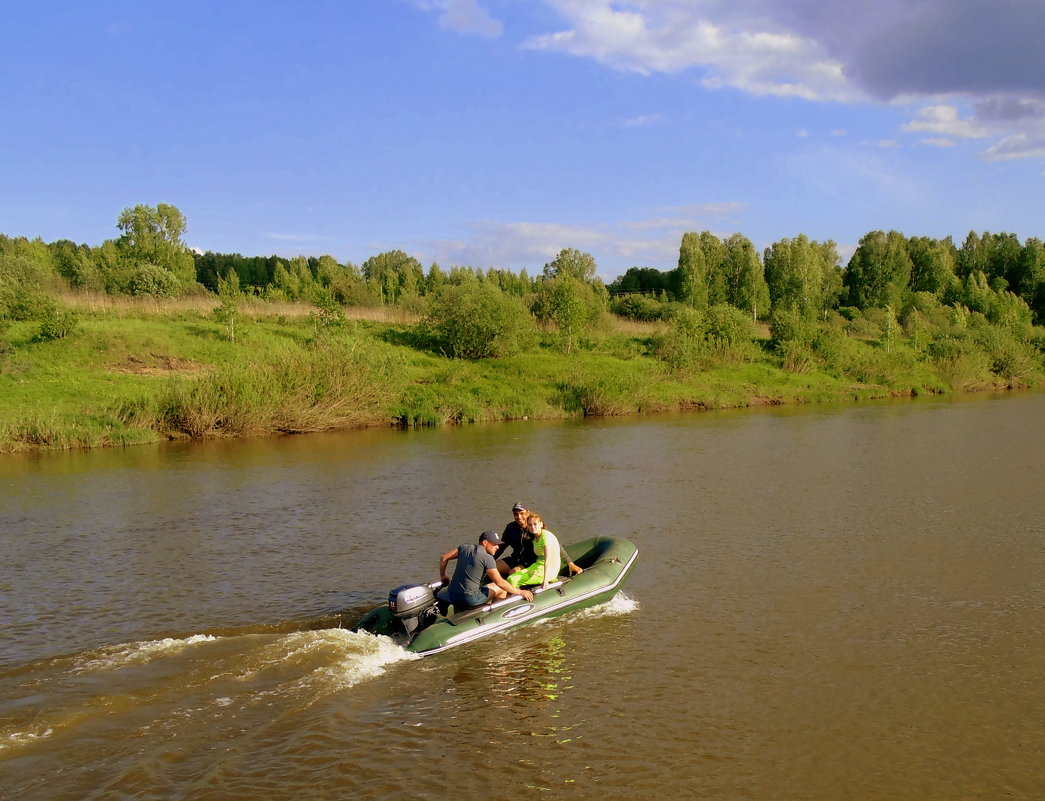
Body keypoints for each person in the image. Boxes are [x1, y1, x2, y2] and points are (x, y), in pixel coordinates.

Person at [439, 530, 534, 609]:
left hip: (451, 594)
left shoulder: (464, 548)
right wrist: (521, 592)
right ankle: (496, 613)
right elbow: (499, 582)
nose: (497, 547)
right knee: (500, 589)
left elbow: (444, 557)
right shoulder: (487, 558)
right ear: (485, 543)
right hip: (468, 599)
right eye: (495, 544)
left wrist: (443, 576)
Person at [505, 512, 583, 590]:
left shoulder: (546, 538)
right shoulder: (535, 537)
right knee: (510, 577)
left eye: (535, 524)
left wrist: (545, 581)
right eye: (530, 525)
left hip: (548, 570)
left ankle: (519, 596)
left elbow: (547, 561)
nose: (533, 527)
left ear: (541, 524)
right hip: (538, 566)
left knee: (513, 580)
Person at [494, 501, 537, 577]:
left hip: (531, 562)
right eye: (516, 514)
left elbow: (550, 541)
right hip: (515, 559)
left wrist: (565, 560)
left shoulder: (534, 526)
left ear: (528, 513)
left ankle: (517, 587)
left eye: (522, 513)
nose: (519, 517)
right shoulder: (511, 528)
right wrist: (487, 560)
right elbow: (501, 547)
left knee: (513, 573)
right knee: (493, 568)